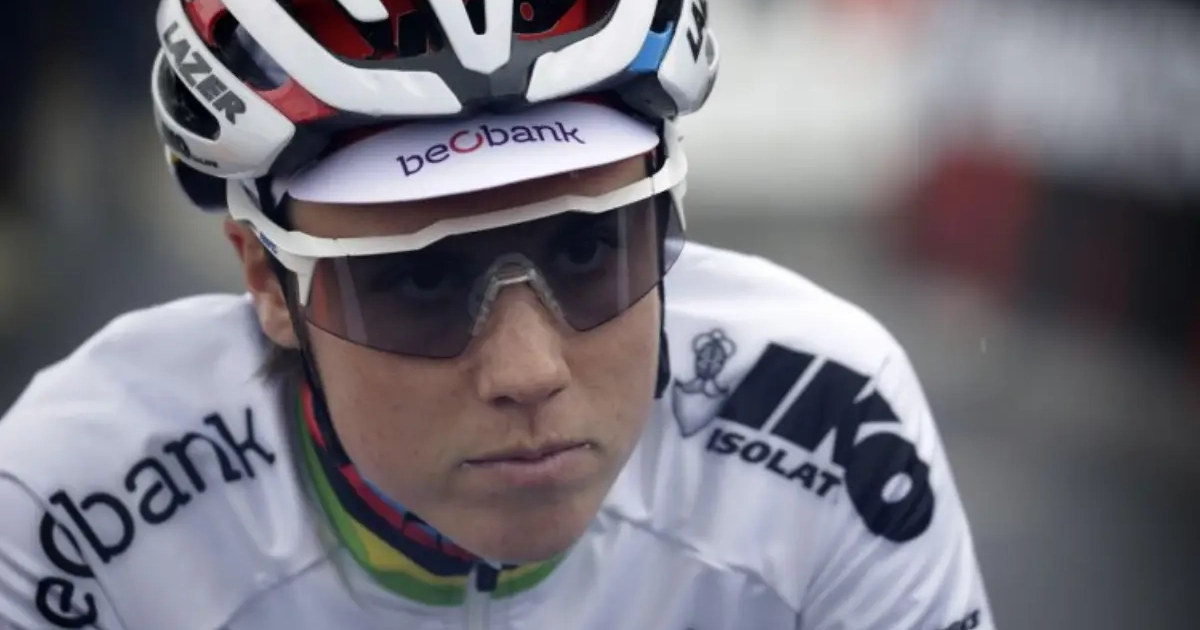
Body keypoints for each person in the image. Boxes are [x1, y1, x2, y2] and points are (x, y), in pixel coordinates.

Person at [0, 0, 994, 628]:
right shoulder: (71, 503)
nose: (529, 370)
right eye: (417, 282)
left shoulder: (833, 422)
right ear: (266, 279)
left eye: (591, 250)